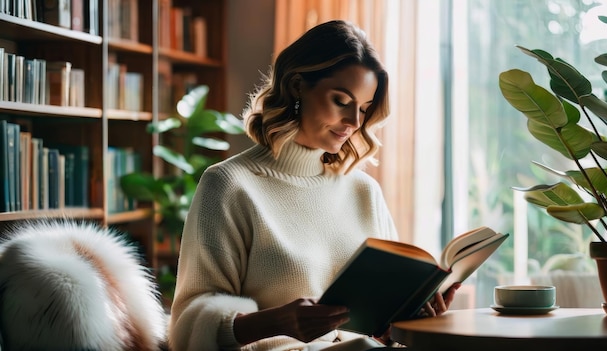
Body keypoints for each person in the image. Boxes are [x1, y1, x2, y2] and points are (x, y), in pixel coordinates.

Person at [168, 19, 459, 351]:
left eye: (364, 109)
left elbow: (378, 332)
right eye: (341, 101)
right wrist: (278, 322)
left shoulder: (363, 191)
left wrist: (409, 318)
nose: (353, 122)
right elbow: (186, 328)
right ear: (296, 86)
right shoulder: (230, 186)